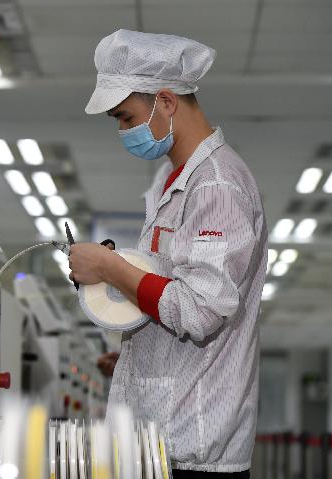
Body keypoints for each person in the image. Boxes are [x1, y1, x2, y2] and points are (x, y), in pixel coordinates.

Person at [69, 30, 267, 478]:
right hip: (163, 436)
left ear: (165, 101)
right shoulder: (171, 179)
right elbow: (172, 286)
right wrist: (139, 358)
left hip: (194, 448)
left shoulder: (217, 185)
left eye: (126, 117)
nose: (123, 131)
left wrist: (111, 268)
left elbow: (199, 311)